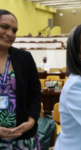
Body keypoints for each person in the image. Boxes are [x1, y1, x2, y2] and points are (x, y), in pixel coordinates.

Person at [0, 9, 41, 149]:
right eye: (5, 27)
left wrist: (31, 121)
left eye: (14, 30)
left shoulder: (24, 58)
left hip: (23, 139)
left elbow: (35, 93)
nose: (10, 34)